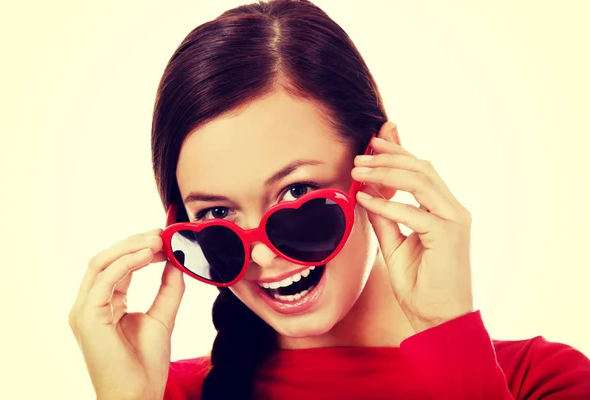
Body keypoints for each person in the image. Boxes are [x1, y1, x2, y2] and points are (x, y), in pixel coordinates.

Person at [67, 0, 590, 399]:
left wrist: (449, 340)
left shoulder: (539, 383)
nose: (262, 256)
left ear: (379, 164)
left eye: (296, 193)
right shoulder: (165, 392)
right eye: (217, 215)